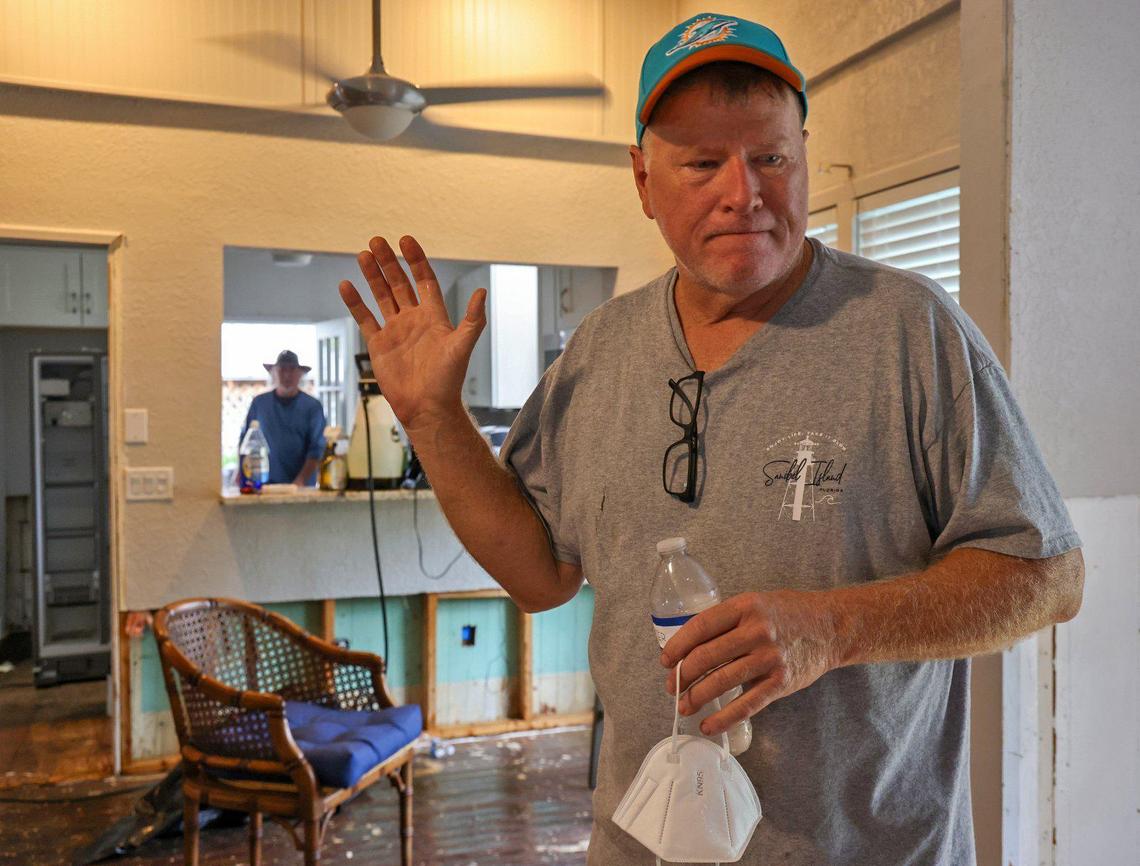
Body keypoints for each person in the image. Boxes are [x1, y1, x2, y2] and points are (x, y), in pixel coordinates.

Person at [337, 13, 1084, 865]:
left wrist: (833, 629)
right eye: (702, 163)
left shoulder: (909, 332)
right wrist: (435, 420)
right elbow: (539, 574)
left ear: (801, 155)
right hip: (638, 844)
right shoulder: (601, 351)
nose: (745, 192)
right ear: (643, 180)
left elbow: (1048, 577)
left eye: (771, 157)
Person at [237, 349, 325, 486]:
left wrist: (300, 481)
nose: (287, 375)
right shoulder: (259, 404)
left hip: (302, 489)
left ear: (300, 374)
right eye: (282, 369)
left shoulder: (312, 407)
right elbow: (245, 442)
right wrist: (241, 473)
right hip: (263, 485)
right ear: (273, 373)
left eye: (292, 370)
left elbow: (317, 448)